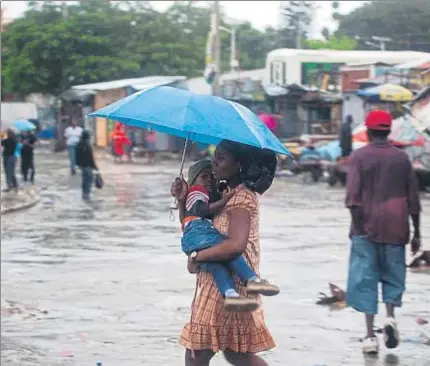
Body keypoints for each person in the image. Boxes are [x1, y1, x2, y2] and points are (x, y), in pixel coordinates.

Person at [171, 140, 277, 366]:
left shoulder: (240, 198)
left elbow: (235, 246)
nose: (214, 163)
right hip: (225, 281)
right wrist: (183, 201)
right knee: (235, 353)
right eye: (215, 156)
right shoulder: (223, 194)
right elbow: (193, 223)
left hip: (232, 283)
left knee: (197, 353)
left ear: (239, 164)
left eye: (221, 158)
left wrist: (196, 258)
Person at [345, 110, 421, 355]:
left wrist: (357, 227)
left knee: (366, 279)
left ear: (367, 131)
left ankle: (369, 336)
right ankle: (390, 317)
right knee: (393, 275)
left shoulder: (359, 157)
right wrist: (417, 232)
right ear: (389, 131)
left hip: (365, 225)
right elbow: (413, 198)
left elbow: (353, 197)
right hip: (397, 225)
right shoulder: (402, 158)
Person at [182, 159, 280, 312]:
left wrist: (195, 256)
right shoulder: (196, 191)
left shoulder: (236, 197)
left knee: (217, 266)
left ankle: (230, 294)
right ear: (193, 180)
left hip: (194, 239)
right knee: (225, 249)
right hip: (198, 231)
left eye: (211, 177)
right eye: (204, 177)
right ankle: (251, 279)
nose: (209, 180)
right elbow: (201, 211)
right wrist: (224, 200)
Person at [76, 130, 98, 201]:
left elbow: (77, 156)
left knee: (84, 179)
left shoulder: (79, 144)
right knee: (89, 180)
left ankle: (84, 193)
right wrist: (95, 166)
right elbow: (91, 157)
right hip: (88, 166)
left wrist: (78, 164)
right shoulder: (88, 145)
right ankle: (87, 194)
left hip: (82, 166)